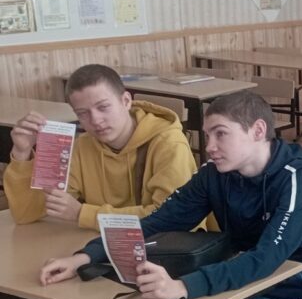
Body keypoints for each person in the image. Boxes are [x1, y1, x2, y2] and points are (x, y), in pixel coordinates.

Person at [38, 91, 302, 299]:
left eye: (220, 134)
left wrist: (183, 287)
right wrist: (86, 256)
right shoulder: (213, 174)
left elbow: (265, 258)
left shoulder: (298, 180)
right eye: (207, 135)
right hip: (228, 295)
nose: (210, 146)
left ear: (257, 131)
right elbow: (157, 222)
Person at [4, 64, 199, 230]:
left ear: (126, 101)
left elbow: (171, 219)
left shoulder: (169, 144)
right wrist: (22, 154)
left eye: (103, 107)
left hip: (166, 250)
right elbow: (26, 214)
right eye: (83, 113)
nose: (96, 120)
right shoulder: (82, 146)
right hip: (101, 245)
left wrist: (82, 214)